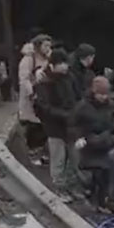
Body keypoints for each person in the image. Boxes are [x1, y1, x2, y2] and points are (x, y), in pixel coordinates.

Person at [34, 48, 85, 200]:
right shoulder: (44, 82)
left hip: (72, 126)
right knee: (58, 159)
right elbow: (44, 107)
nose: (65, 67)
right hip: (54, 127)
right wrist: (64, 114)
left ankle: (73, 186)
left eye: (65, 63)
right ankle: (59, 189)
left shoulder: (70, 78)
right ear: (52, 65)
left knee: (74, 158)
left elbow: (78, 96)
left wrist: (77, 113)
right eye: (61, 64)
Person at [71, 76, 114, 211]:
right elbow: (73, 125)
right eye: (101, 94)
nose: (104, 97)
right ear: (94, 92)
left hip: (106, 144)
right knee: (93, 176)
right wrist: (79, 138)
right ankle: (93, 198)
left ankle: (102, 202)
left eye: (106, 94)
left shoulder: (112, 107)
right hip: (90, 145)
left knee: (105, 176)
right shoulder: (82, 107)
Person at [17, 33, 51, 155]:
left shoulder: (47, 59)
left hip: (45, 94)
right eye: (45, 45)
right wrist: (31, 92)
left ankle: (40, 151)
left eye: (49, 46)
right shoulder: (29, 59)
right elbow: (24, 78)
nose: (48, 48)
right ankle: (31, 151)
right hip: (32, 96)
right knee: (32, 124)